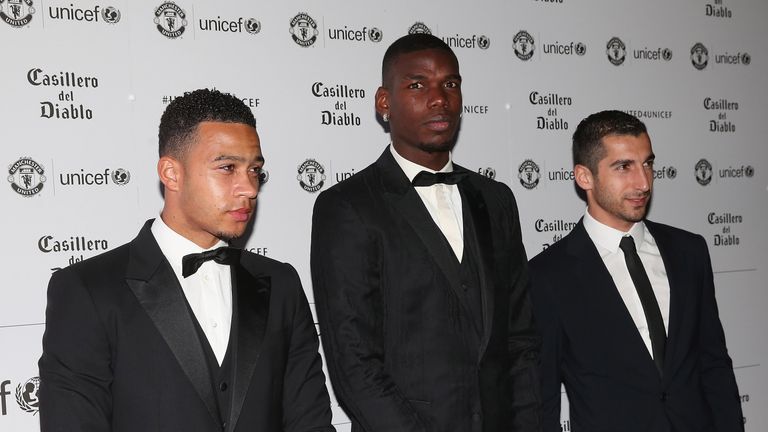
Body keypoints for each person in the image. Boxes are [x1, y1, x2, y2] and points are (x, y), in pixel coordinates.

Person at [39, 89, 334, 432]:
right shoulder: (88, 290)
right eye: (227, 168)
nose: (249, 188)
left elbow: (309, 421)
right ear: (171, 174)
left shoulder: (280, 283)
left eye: (255, 170)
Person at [310, 34, 541, 432]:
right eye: (417, 85)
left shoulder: (497, 199)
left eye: (450, 84)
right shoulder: (348, 206)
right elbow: (354, 363)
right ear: (385, 103)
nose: (439, 98)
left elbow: (519, 340)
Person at [528, 110, 744, 432]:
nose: (643, 182)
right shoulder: (548, 276)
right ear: (584, 177)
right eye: (623, 167)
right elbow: (542, 399)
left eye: (647, 163)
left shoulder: (689, 252)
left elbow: (714, 364)